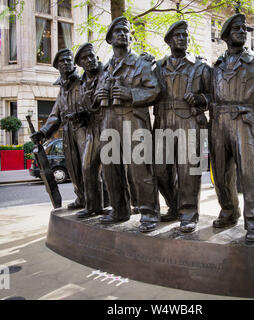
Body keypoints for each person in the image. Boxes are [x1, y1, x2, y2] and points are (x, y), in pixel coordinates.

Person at [209, 13, 254, 243]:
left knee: (252, 175)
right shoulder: (217, 67)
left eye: (245, 29)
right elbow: (210, 95)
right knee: (221, 174)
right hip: (219, 122)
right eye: (237, 29)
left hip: (246, 121)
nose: (243, 31)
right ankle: (229, 212)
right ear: (226, 36)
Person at [97, 16, 160, 232]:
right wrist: (100, 94)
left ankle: (149, 212)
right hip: (109, 120)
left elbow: (155, 90)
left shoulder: (141, 63)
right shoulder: (105, 69)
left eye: (126, 31)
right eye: (118, 32)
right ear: (110, 39)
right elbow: (95, 97)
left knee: (140, 168)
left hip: (134, 119)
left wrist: (130, 93)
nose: (123, 34)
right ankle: (119, 209)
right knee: (110, 169)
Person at [154, 20, 211, 232]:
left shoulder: (200, 67)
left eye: (185, 36)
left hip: (189, 121)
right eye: (178, 36)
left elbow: (216, 96)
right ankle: (174, 205)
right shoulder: (158, 67)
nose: (182, 39)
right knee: (160, 171)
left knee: (188, 171)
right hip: (163, 122)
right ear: (169, 41)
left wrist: (200, 99)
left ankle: (189, 213)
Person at [30, 48, 86, 211]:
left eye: (69, 60)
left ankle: (98, 201)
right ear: (57, 66)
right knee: (74, 167)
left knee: (88, 167)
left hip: (84, 128)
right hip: (68, 131)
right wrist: (42, 133)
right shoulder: (62, 89)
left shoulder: (82, 81)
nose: (67, 63)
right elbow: (56, 115)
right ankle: (81, 198)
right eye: (63, 61)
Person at [74, 43, 111, 218]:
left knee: (115, 169)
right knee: (88, 166)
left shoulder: (107, 71)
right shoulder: (82, 83)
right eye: (84, 58)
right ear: (80, 64)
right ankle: (93, 206)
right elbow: (87, 106)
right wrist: (79, 115)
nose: (89, 60)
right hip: (92, 128)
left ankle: (121, 206)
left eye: (91, 56)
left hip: (110, 125)